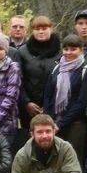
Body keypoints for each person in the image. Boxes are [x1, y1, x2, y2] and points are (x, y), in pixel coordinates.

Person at [43, 34, 87, 165]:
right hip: (54, 122)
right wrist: (50, 121)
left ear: (81, 50)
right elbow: (48, 96)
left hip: (75, 123)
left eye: (73, 49)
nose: (69, 52)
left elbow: (82, 102)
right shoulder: (56, 68)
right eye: (66, 49)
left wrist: (61, 123)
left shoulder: (86, 70)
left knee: (73, 160)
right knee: (55, 159)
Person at [17, 16, 61, 152]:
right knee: (30, 144)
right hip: (29, 107)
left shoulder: (61, 50)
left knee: (51, 142)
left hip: (55, 106)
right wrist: (26, 102)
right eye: (37, 29)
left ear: (51, 29)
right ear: (32, 31)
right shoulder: (23, 51)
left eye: (44, 28)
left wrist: (50, 105)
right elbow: (18, 80)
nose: (41, 32)